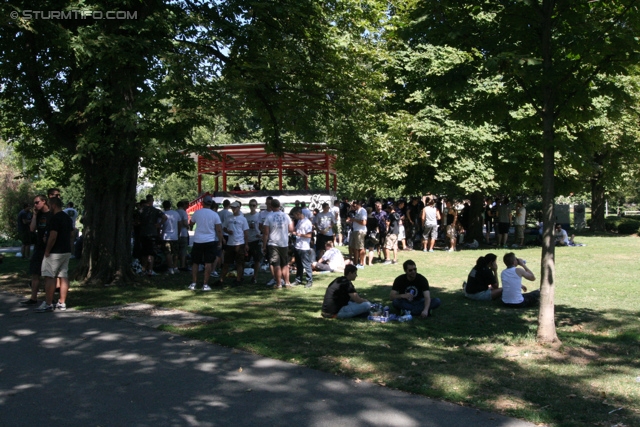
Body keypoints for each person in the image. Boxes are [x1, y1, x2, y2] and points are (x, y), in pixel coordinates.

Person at [35, 197, 73, 312]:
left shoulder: (55, 218)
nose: (49, 207)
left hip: (55, 252)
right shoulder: (67, 218)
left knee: (49, 276)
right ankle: (62, 302)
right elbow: (72, 234)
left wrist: (47, 250)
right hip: (66, 251)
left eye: (50, 205)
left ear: (54, 205)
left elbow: (53, 236)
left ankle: (48, 303)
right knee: (63, 276)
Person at [20, 196, 52, 306]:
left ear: (44, 201)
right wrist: (34, 215)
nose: (35, 205)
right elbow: (32, 229)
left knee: (49, 274)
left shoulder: (51, 214)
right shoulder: (38, 215)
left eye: (37, 202)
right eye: (34, 203)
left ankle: (49, 299)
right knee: (35, 272)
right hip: (39, 246)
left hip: (49, 247)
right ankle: (33, 298)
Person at [188, 195, 223, 291]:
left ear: (203, 203)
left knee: (195, 262)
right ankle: (205, 284)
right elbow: (219, 230)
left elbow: (191, 223)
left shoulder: (197, 213)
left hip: (198, 240)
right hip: (210, 240)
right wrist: (220, 241)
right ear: (211, 204)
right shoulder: (215, 215)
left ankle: (194, 283)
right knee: (208, 263)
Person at [263, 199, 294, 288]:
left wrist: (264, 245)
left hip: (273, 243)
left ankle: (279, 283)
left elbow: (265, 233)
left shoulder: (269, 216)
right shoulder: (286, 215)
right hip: (284, 242)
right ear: (279, 205)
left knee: (276, 264)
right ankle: (287, 283)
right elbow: (291, 229)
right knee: (284, 263)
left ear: (271, 206)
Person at [221, 201, 249, 285]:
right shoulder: (228, 218)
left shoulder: (243, 219)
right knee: (226, 263)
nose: (233, 209)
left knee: (239, 263)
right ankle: (221, 280)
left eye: (235, 207)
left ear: (238, 208)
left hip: (240, 243)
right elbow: (224, 227)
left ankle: (238, 279)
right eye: (232, 207)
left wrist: (246, 244)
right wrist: (227, 231)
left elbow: (246, 232)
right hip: (230, 243)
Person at [292, 208, 313, 288]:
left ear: (298, 213)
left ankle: (309, 281)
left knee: (306, 264)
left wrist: (299, 234)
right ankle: (298, 279)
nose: (294, 217)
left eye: (294, 215)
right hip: (298, 246)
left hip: (304, 247)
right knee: (299, 265)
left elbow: (309, 235)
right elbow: (296, 230)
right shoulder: (299, 221)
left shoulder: (307, 223)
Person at [245, 198, 262, 284]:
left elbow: (262, 227)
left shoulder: (259, 215)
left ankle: (254, 277)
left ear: (256, 206)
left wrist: (261, 235)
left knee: (257, 259)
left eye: (254, 205)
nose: (252, 207)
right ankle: (241, 276)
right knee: (244, 259)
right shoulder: (246, 216)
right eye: (250, 205)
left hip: (256, 239)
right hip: (247, 239)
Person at [161, 200, 181, 274]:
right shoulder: (176, 213)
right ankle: (175, 266)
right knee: (175, 252)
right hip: (175, 236)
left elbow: (160, 225)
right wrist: (178, 233)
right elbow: (179, 224)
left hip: (166, 236)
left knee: (168, 253)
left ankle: (170, 267)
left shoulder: (163, 214)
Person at [347, 199, 367, 268]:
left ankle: (361, 263)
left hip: (360, 231)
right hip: (354, 231)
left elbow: (364, 223)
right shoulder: (357, 211)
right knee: (354, 248)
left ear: (358, 204)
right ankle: (355, 263)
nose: (353, 206)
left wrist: (354, 220)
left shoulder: (363, 211)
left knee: (360, 248)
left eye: (354, 204)